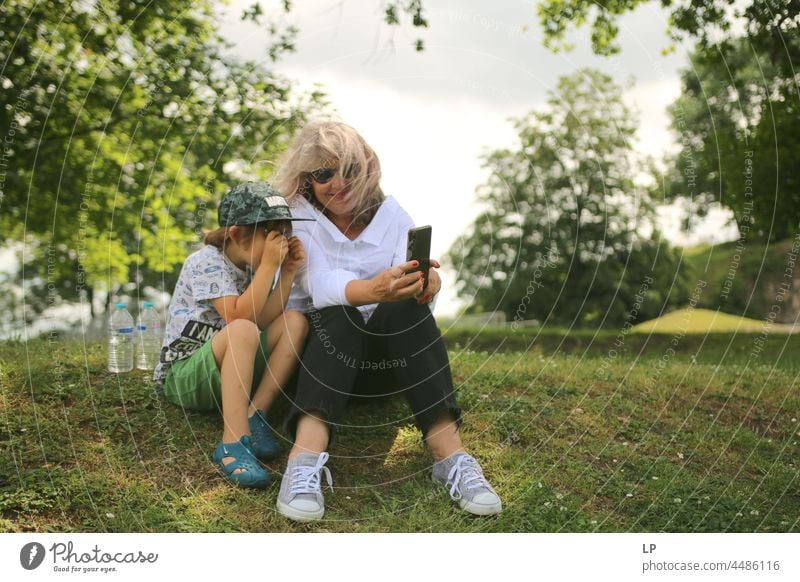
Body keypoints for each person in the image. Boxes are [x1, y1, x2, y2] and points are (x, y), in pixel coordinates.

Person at [273, 121, 502, 521]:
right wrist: (373, 290)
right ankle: (304, 460)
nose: (338, 183)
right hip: (317, 368)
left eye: (350, 170)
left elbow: (411, 284)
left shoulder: (393, 215)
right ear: (307, 178)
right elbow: (318, 283)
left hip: (383, 372)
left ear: (368, 169)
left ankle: (450, 457)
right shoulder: (298, 215)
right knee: (336, 312)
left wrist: (426, 283)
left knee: (404, 307)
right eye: (324, 173)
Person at [154, 181, 312, 488]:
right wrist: (269, 266)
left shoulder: (253, 267)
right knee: (240, 328)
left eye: (283, 233)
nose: (278, 244)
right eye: (270, 235)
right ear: (237, 234)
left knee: (294, 321)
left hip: (229, 370)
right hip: (185, 376)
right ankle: (232, 443)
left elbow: (262, 319)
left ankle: (256, 415)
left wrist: (288, 272)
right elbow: (239, 318)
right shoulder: (206, 262)